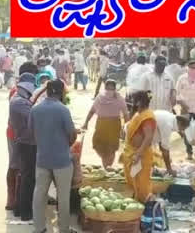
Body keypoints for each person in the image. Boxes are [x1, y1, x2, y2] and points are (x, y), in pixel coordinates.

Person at [30, 79, 76, 233]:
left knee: (39, 194)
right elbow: (72, 134)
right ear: (61, 92)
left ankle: (39, 228)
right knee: (63, 197)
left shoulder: (35, 109)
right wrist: (66, 145)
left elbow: (31, 132)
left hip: (42, 158)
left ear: (47, 91)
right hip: (62, 160)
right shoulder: (63, 110)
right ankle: (63, 229)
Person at [83, 79, 128, 168]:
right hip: (107, 124)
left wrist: (126, 128)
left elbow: (92, 111)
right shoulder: (103, 97)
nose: (109, 92)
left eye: (111, 89)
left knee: (109, 148)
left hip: (109, 124)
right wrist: (86, 123)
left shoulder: (116, 98)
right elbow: (126, 114)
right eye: (109, 89)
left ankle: (107, 165)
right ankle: (107, 163)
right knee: (103, 146)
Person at [121, 90, 156, 203]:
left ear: (139, 102)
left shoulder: (147, 117)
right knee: (134, 183)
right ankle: (138, 207)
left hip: (141, 155)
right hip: (133, 152)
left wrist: (138, 154)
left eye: (133, 101)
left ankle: (146, 209)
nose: (132, 103)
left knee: (142, 185)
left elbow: (148, 137)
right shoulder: (139, 114)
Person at [9, 76, 36, 222]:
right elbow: (33, 116)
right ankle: (26, 211)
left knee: (25, 176)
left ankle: (19, 208)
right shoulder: (19, 102)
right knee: (28, 178)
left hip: (25, 141)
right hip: (27, 143)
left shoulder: (18, 100)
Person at [153, 110, 190, 177]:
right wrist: (169, 169)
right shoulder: (168, 124)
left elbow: (162, 141)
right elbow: (165, 149)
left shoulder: (169, 117)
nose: (181, 131)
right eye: (182, 129)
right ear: (179, 123)